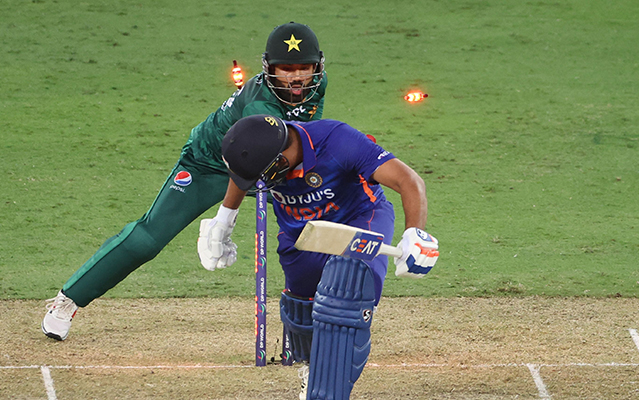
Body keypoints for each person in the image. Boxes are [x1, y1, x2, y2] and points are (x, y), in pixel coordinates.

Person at [42, 22, 328, 341]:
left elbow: (305, 135)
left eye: (304, 68)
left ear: (317, 66)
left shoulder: (318, 84)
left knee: (321, 218)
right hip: (208, 163)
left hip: (273, 163)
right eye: (286, 68)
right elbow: (246, 168)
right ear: (269, 68)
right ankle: (67, 301)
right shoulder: (259, 105)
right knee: (148, 239)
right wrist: (224, 223)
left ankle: (320, 308)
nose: (297, 77)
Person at [198, 115, 440, 400]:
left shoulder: (337, 140)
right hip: (301, 231)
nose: (260, 182)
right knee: (300, 310)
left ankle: (330, 389)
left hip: (360, 217)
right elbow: (246, 171)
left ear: (279, 159)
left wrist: (415, 233)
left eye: (263, 173)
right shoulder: (265, 156)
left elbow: (408, 179)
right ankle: (314, 370)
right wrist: (224, 220)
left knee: (346, 290)